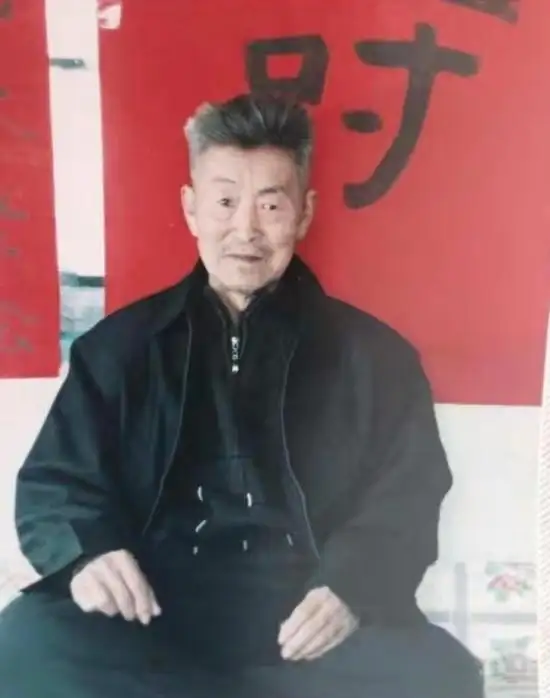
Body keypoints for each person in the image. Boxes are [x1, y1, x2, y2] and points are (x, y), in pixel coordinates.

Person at [0, 93, 484, 698]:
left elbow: (408, 493)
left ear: (303, 214)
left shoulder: (375, 357)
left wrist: (352, 586)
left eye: (271, 205)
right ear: (191, 208)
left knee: (441, 674)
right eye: (225, 202)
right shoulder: (118, 349)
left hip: (307, 622)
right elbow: (57, 481)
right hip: (153, 619)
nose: (246, 230)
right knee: (24, 643)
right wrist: (88, 555)